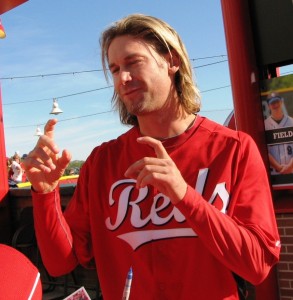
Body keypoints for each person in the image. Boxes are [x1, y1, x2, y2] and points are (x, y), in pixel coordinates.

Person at [23, 14, 280, 300]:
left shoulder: (234, 149)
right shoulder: (102, 161)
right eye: (115, 69)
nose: (122, 78)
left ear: (172, 61)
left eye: (133, 63)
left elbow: (258, 265)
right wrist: (45, 194)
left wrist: (184, 196)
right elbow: (60, 263)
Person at [264, 92, 293, 174]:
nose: (275, 105)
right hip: (274, 173)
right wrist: (279, 167)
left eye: (277, 102)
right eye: (272, 103)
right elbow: (264, 150)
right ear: (269, 106)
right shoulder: (265, 125)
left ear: (281, 102)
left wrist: (290, 166)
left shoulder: (291, 122)